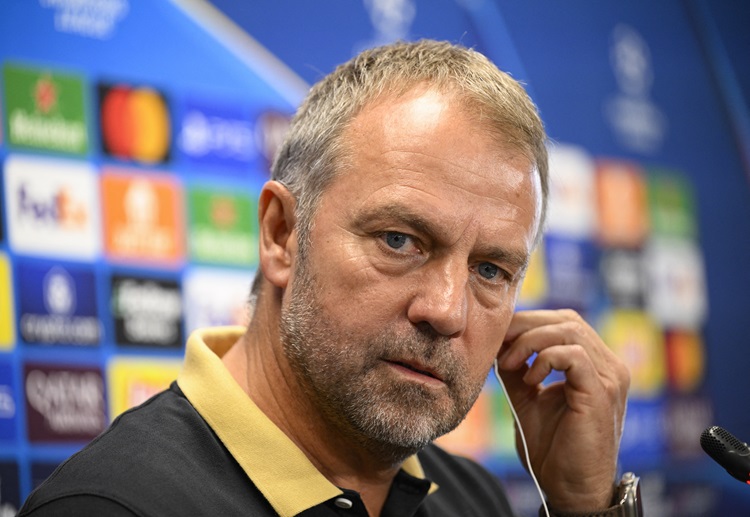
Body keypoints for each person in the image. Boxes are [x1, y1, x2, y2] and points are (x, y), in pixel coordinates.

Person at [19, 40, 631, 517]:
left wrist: (584, 507)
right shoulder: (109, 508)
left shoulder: (475, 500)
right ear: (282, 234)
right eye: (399, 240)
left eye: (490, 270)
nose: (448, 311)